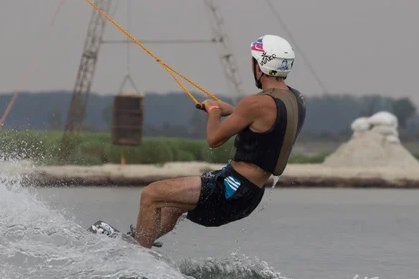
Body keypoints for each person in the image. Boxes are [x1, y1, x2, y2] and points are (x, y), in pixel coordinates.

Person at [91, 34, 306, 249]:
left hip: (231, 189)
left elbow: (214, 139)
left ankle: (135, 255)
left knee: (151, 194)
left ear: (260, 65)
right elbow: (260, 123)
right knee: (169, 206)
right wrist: (229, 110)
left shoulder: (256, 103)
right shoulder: (295, 100)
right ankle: (140, 241)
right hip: (249, 194)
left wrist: (213, 111)